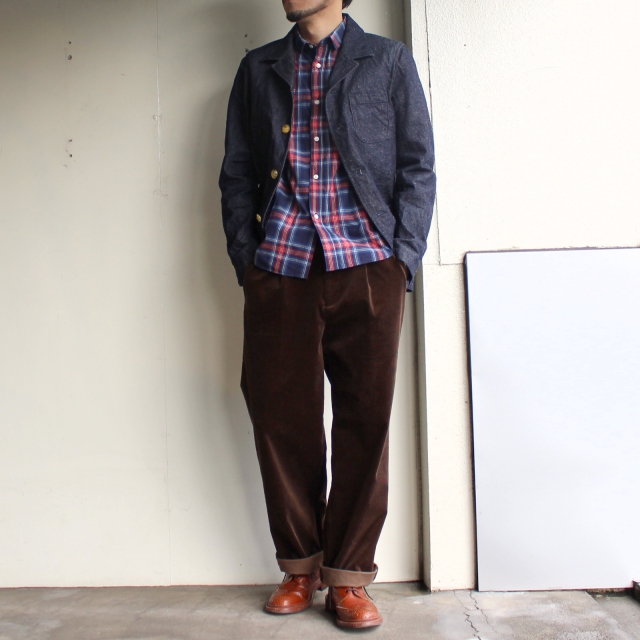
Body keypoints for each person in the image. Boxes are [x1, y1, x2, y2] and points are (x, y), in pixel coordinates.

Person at [219, 0, 435, 629]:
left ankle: (349, 577)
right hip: (281, 266)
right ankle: (299, 566)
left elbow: (418, 165)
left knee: (365, 421)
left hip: (367, 264)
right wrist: (248, 260)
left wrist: (402, 259)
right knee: (281, 421)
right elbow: (236, 172)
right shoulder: (258, 68)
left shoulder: (387, 61)